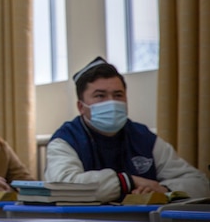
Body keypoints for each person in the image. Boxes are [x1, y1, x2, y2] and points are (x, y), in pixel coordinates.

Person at [45, 57, 210, 201]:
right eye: (100, 96)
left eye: (118, 95)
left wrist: (164, 190)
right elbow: (63, 187)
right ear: (81, 107)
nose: (111, 102)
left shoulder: (144, 138)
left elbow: (199, 183)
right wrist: (128, 182)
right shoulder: (66, 140)